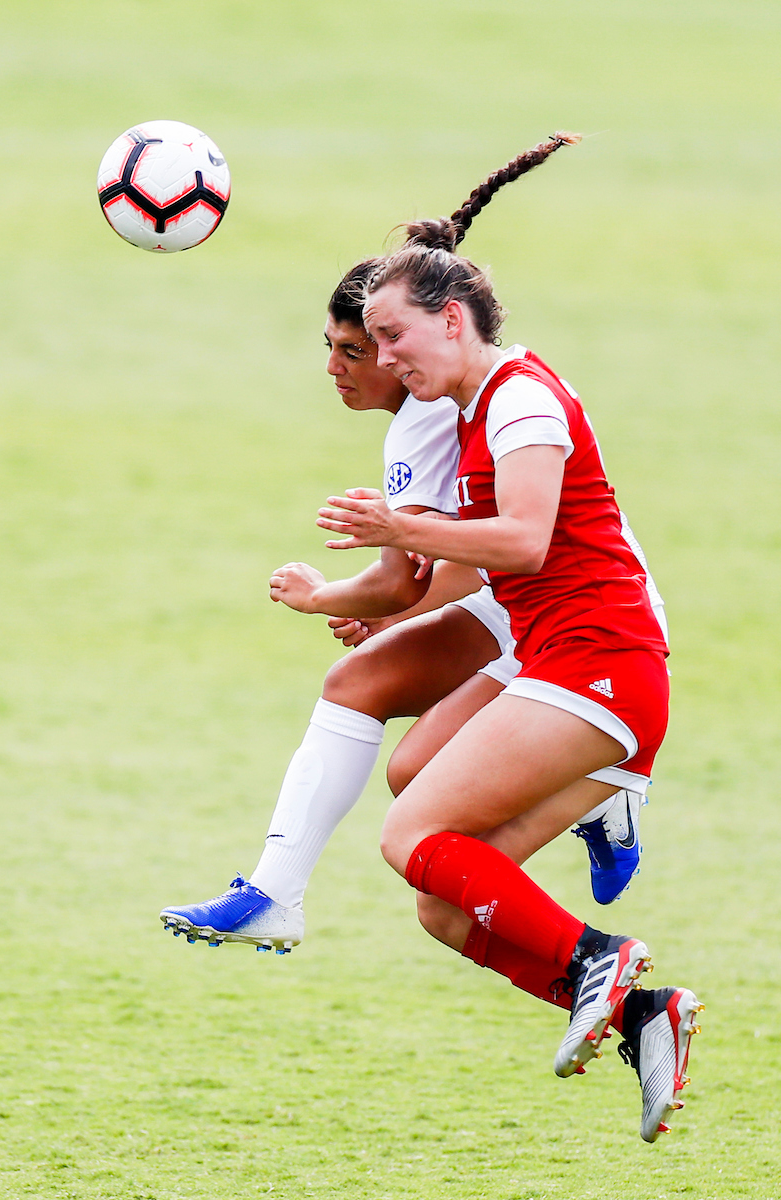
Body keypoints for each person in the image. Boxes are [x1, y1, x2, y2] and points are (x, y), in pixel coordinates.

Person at [160, 140, 659, 955]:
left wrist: (330, 597)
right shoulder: (442, 396)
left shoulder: (438, 411)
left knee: (363, 695)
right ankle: (589, 808)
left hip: (567, 615)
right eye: (338, 346)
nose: (344, 367)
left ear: (431, 332)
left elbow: (425, 574)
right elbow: (441, 571)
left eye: (360, 348)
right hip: (518, 601)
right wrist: (390, 601)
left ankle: (277, 893)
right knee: (409, 773)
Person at [311, 142, 702, 1141]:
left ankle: (594, 959)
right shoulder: (475, 405)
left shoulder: (520, 397)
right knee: (444, 900)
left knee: (410, 839)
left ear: (454, 319)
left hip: (599, 663)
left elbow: (522, 540)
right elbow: (473, 561)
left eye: (394, 337)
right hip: (559, 662)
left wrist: (398, 531)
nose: (384, 356)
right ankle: (645, 1016)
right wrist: (389, 589)